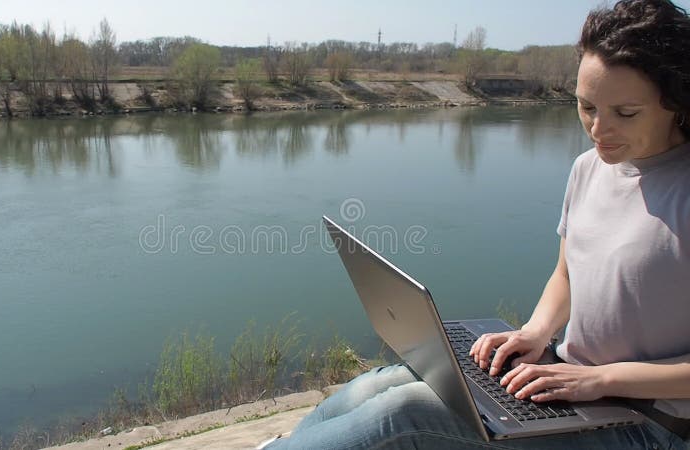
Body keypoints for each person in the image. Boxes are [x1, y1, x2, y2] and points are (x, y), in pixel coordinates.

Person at [265, 0, 690, 448]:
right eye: (586, 107)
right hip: (569, 383)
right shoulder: (590, 168)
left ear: (675, 100)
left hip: (650, 424)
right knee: (387, 381)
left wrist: (601, 379)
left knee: (405, 416)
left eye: (625, 113)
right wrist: (534, 332)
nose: (598, 129)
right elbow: (568, 273)